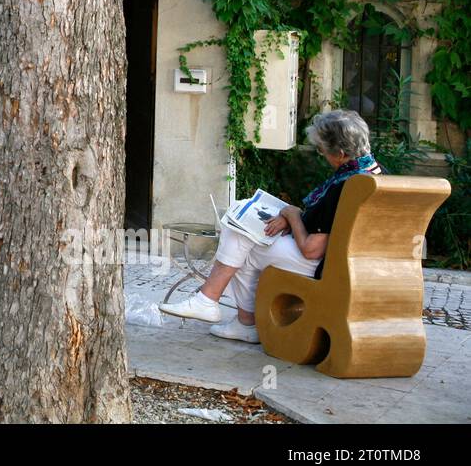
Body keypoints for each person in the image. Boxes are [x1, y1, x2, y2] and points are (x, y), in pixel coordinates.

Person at [159, 109, 382, 342]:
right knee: (243, 232)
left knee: (242, 238)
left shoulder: (344, 186)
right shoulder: (373, 173)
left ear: (341, 153)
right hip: (356, 261)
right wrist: (290, 217)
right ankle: (218, 307)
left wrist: (293, 214)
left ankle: (227, 311)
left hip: (327, 266)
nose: (321, 155)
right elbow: (328, 223)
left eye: (321, 150)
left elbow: (311, 249)